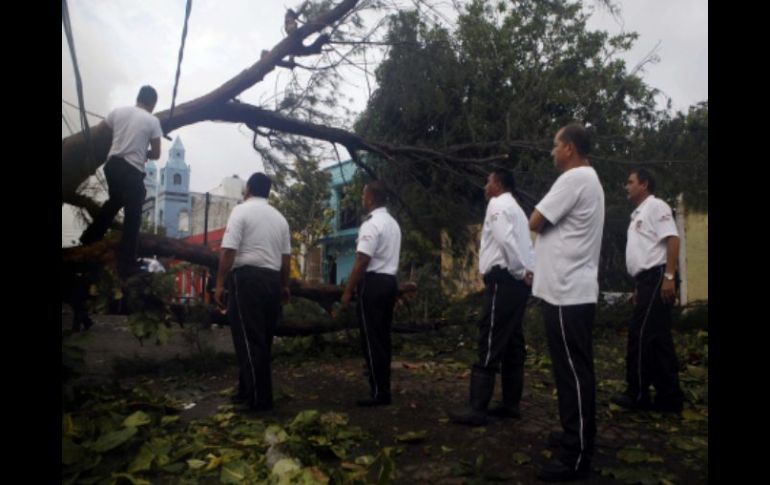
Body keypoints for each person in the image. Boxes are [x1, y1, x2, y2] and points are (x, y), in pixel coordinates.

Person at [529, 123, 605, 481]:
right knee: (572, 371)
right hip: (571, 290)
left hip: (566, 291)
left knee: (573, 374)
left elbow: (536, 219)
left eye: (555, 145)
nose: (552, 151)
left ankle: (577, 454)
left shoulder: (573, 179)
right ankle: (575, 435)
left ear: (570, 148)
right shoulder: (589, 180)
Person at [448, 169, 534, 426]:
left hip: (505, 280)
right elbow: (527, 246)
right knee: (512, 341)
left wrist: (519, 272)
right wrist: (529, 273)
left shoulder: (497, 204)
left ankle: (477, 408)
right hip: (518, 284)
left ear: (498, 184)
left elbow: (505, 241)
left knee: (490, 335)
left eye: (488, 181)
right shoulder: (518, 210)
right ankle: (510, 405)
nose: (485, 186)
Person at [214, 172, 291, 413]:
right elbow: (286, 259)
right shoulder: (280, 219)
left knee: (247, 339)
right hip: (271, 279)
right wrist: (284, 285)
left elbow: (228, 251)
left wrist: (219, 284)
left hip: (247, 279)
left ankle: (260, 400)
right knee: (262, 340)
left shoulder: (241, 211)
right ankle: (246, 390)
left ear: (248, 189)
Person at [610, 168, 685, 413]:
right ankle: (670, 397)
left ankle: (637, 394)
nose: (626, 186)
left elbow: (672, 239)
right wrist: (638, 287)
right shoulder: (638, 215)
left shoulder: (656, 206)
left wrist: (669, 276)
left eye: (630, 182)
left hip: (658, 278)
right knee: (659, 339)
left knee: (639, 335)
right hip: (647, 282)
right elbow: (645, 252)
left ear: (644, 185)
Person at [79, 85, 163, 279]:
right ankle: (127, 263)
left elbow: (100, 130)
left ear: (138, 98)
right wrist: (144, 153)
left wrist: (119, 141)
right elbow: (157, 154)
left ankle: (91, 236)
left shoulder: (119, 111)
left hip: (112, 166)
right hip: (131, 170)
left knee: (115, 201)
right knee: (134, 214)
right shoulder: (153, 120)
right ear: (152, 103)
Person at [341, 181, 402, 406]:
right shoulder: (393, 224)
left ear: (370, 199)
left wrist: (348, 292)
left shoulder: (372, 224)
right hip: (390, 283)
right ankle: (382, 388)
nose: (361, 199)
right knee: (383, 338)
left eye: (363, 195)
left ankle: (379, 392)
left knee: (371, 339)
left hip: (373, 284)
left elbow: (362, 260)